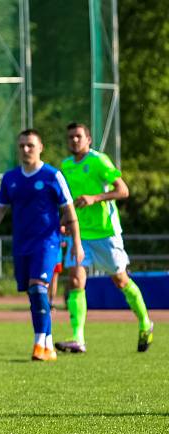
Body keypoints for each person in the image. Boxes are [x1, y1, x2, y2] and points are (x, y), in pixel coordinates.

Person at [0, 129, 84, 361]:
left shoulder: (52, 175)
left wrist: (76, 242)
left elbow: (69, 210)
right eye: (22, 146)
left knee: (38, 288)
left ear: (40, 147)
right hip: (21, 245)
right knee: (34, 294)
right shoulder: (11, 178)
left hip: (47, 242)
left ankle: (39, 343)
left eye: (30, 145)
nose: (26, 149)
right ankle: (47, 343)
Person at [56, 122, 153, 353]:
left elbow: (123, 190)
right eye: (70, 137)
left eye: (78, 136)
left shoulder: (99, 161)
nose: (74, 141)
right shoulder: (66, 165)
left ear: (88, 139)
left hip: (106, 232)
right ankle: (78, 338)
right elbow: (68, 201)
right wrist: (63, 223)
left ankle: (145, 323)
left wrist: (95, 197)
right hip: (80, 234)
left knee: (120, 280)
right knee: (75, 281)